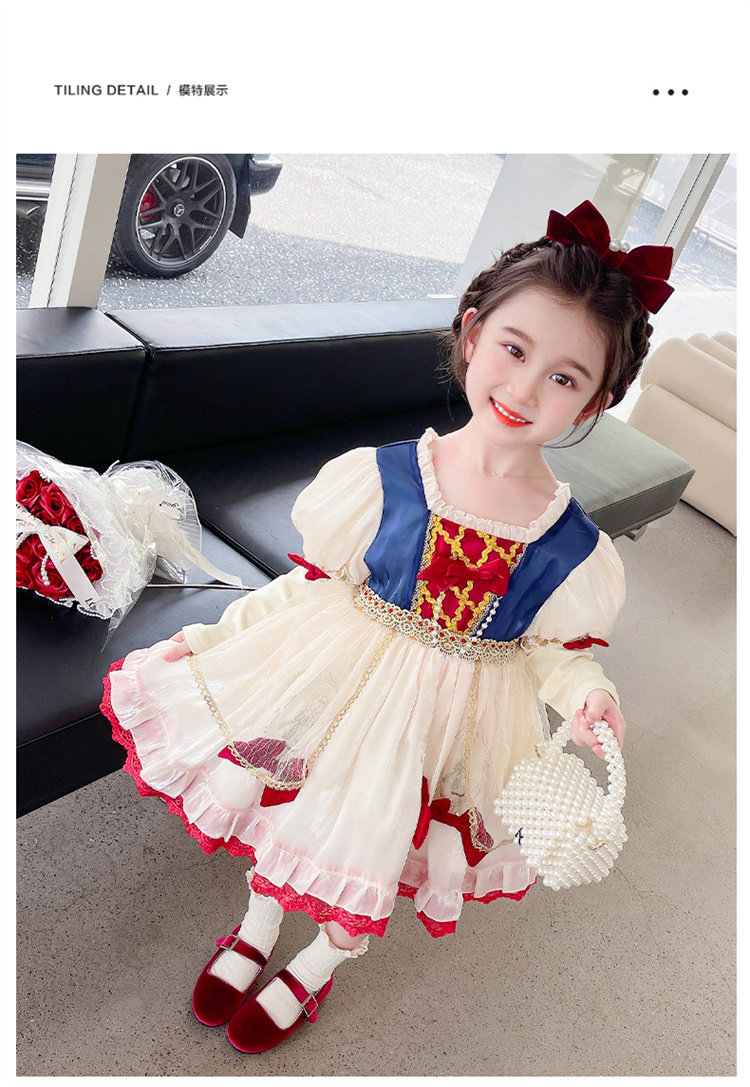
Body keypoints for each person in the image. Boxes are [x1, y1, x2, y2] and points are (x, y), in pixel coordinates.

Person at [101, 199, 674, 1054]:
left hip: (455, 720)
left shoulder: (571, 545)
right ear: (473, 333)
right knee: (293, 808)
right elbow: (313, 586)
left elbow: (556, 651)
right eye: (515, 349)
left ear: (598, 399)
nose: (524, 389)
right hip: (343, 678)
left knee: (380, 842)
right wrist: (220, 639)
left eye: (565, 378)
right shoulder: (382, 477)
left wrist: (588, 692)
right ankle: (256, 930)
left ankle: (318, 963)